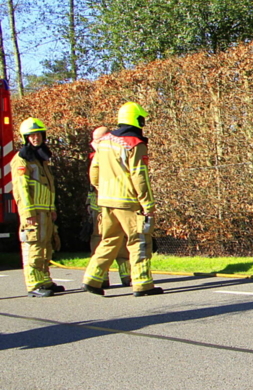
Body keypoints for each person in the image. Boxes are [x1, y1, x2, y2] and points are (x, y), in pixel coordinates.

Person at [82, 102, 163, 297]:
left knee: (109, 240)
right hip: (128, 202)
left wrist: (103, 190)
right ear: (136, 120)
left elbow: (94, 172)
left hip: (107, 201)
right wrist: (148, 205)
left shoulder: (105, 142)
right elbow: (139, 176)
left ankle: (92, 279)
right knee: (139, 241)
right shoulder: (135, 144)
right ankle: (142, 284)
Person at [12, 117, 64, 297]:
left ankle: (45, 280)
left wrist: (52, 209)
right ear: (25, 138)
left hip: (46, 212)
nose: (35, 139)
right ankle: (34, 284)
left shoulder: (41, 159)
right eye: (31, 136)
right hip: (33, 212)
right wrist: (28, 213)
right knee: (33, 246)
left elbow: (48, 187)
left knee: (46, 246)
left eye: (38, 135)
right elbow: (21, 189)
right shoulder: (22, 159)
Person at [87, 126, 131, 288]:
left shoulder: (104, 154)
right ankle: (101, 276)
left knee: (119, 239)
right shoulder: (102, 154)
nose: (93, 143)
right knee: (102, 240)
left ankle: (125, 274)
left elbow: (95, 179)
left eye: (96, 140)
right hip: (101, 207)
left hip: (107, 203)